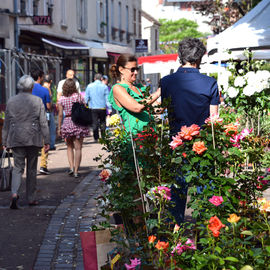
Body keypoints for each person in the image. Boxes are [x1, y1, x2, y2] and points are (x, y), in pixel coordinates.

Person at [160, 38, 220, 224]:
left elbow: (164, 109)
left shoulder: (167, 82)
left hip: (176, 145)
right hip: (202, 147)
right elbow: (213, 120)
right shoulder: (210, 83)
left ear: (180, 56)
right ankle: (204, 241)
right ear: (200, 57)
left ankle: (173, 240)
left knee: (176, 197)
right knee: (204, 197)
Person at [2, 75, 50, 209]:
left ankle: (14, 193)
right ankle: (31, 198)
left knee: (18, 168)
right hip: (33, 138)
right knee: (31, 169)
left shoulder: (11, 101)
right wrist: (46, 140)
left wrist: (4, 140)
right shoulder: (37, 101)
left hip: (16, 137)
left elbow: (6, 123)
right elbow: (43, 123)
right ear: (31, 87)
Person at [108, 54, 160, 134]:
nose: (135, 72)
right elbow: (137, 107)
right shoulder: (118, 88)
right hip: (134, 138)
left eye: (137, 69)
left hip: (150, 136)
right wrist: (157, 93)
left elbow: (157, 109)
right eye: (132, 69)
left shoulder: (140, 88)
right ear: (121, 69)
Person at [57, 78, 89, 178]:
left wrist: (59, 127)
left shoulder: (62, 99)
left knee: (69, 146)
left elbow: (60, 115)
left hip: (67, 122)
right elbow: (84, 109)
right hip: (78, 122)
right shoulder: (79, 97)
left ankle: (71, 167)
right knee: (78, 148)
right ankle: (76, 171)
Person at [31, 69, 52, 175]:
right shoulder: (44, 90)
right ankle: (43, 165)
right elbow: (48, 106)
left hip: (29, 119)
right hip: (42, 118)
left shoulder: (27, 89)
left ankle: (31, 165)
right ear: (39, 77)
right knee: (44, 142)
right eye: (42, 77)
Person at [85, 73, 112, 142]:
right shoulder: (104, 87)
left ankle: (96, 137)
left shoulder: (89, 86)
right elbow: (107, 99)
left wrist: (85, 105)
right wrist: (109, 108)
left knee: (95, 123)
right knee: (103, 122)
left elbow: (86, 98)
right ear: (101, 79)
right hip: (102, 107)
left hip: (93, 108)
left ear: (94, 78)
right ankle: (103, 136)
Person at [43, 74, 57, 151]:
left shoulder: (41, 87)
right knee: (51, 128)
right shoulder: (47, 88)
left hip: (41, 110)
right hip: (48, 111)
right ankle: (51, 144)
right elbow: (49, 102)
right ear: (51, 81)